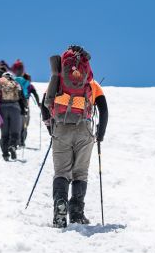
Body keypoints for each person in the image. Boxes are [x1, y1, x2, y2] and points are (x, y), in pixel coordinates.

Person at [41, 45, 108, 228]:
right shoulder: (92, 85)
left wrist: (51, 130)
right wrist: (100, 135)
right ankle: (77, 214)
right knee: (80, 173)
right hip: (84, 130)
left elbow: (44, 104)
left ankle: (59, 209)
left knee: (61, 172)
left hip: (61, 128)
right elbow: (103, 108)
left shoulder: (59, 80)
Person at [0, 72, 27, 161]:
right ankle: (12, 146)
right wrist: (23, 110)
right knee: (15, 132)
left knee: (4, 134)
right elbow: (22, 99)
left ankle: (5, 155)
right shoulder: (16, 85)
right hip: (15, 108)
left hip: (3, 109)